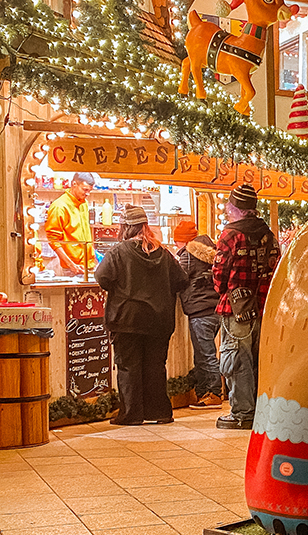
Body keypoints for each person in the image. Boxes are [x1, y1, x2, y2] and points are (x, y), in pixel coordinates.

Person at [94, 206, 188, 426]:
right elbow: (181, 280)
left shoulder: (119, 252)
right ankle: (160, 412)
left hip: (126, 318)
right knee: (156, 365)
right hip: (159, 320)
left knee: (128, 366)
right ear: (146, 225)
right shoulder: (163, 253)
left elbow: (102, 277)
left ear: (125, 227)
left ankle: (132, 414)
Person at [212, 184, 281, 430]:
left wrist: (227, 292)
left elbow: (219, 276)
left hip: (237, 309)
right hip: (264, 307)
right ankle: (260, 410)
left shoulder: (230, 235)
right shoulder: (268, 234)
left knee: (236, 360)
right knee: (258, 360)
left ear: (234, 207)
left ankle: (242, 413)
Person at [175, 220, 222, 409]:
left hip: (200, 310)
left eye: (177, 241)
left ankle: (214, 393)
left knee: (205, 354)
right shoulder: (211, 252)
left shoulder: (187, 256)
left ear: (184, 241)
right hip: (215, 308)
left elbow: (178, 279)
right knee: (204, 353)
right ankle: (204, 392)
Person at [45, 172, 96, 277]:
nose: (87, 194)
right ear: (74, 184)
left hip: (88, 264)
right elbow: (53, 240)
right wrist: (70, 264)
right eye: (85, 189)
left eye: (89, 191)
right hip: (72, 268)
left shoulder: (84, 203)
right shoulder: (59, 206)